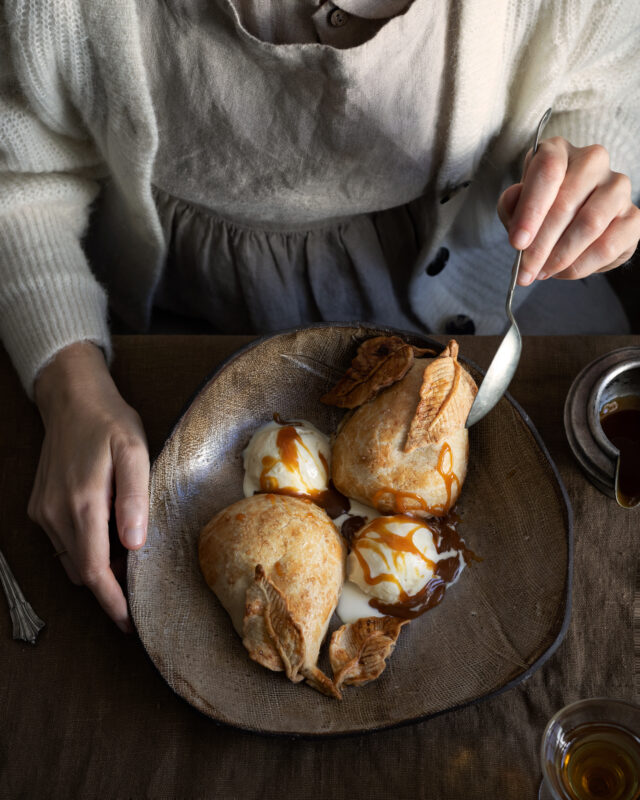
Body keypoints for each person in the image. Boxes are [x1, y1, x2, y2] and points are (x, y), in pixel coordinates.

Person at [1, 0, 639, 633]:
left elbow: (610, 80)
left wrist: (586, 178)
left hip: (490, 279)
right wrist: (68, 386)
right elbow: (18, 180)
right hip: (179, 312)